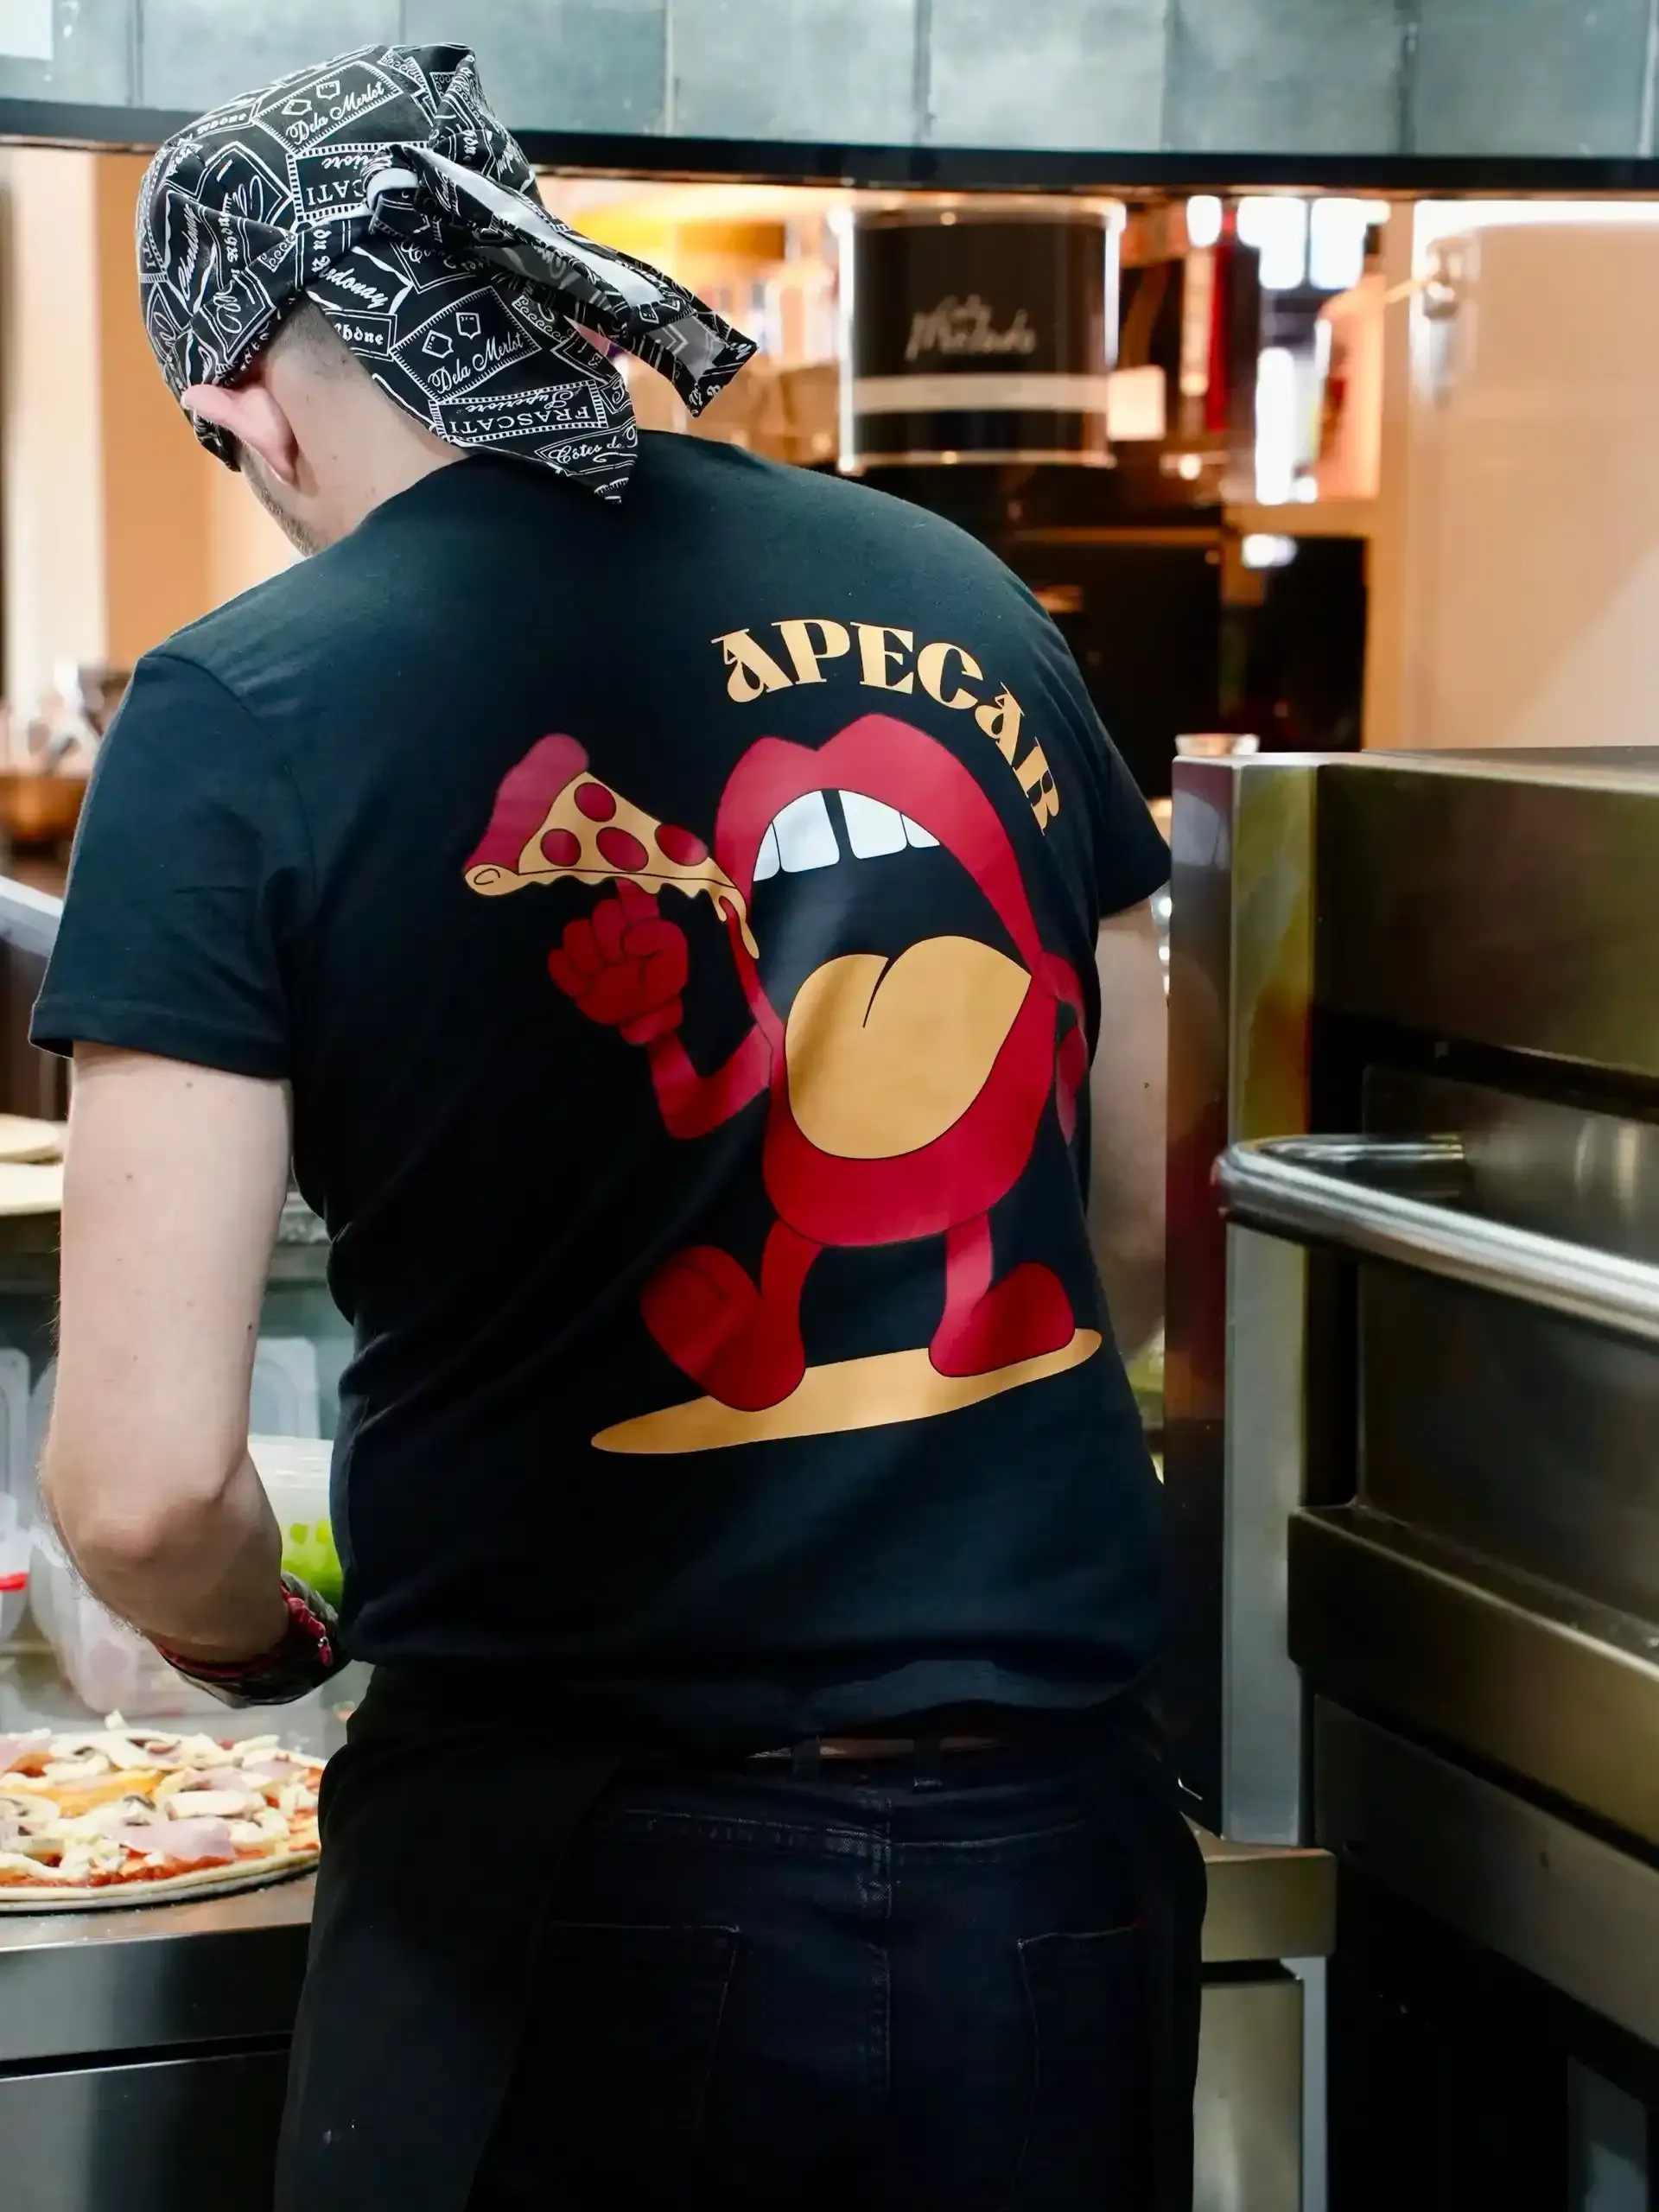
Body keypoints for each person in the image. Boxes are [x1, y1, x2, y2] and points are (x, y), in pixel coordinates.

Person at [33, 41, 1202, 2212]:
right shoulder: (960, 597)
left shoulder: (246, 702)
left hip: (578, 1889)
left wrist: (253, 1641)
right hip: (1056, 1864)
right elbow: (1129, 1214)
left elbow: (136, 1475)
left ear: (250, 405)